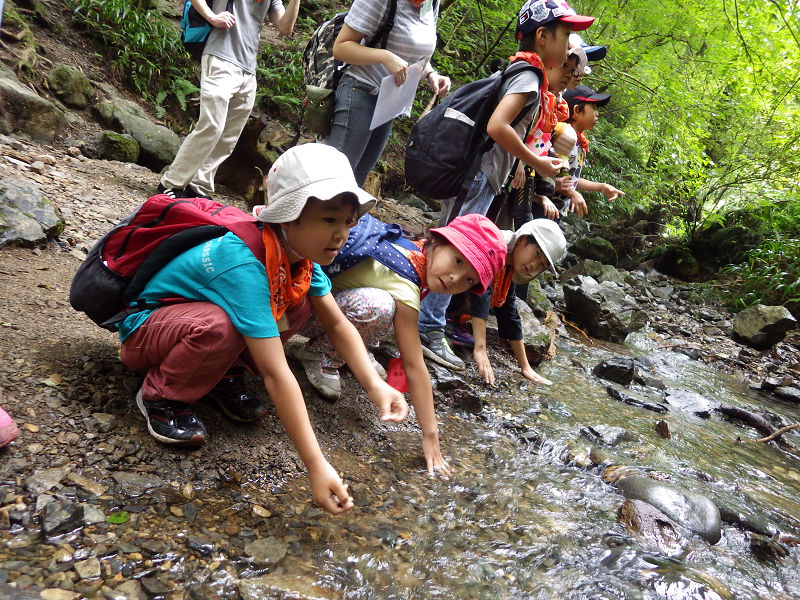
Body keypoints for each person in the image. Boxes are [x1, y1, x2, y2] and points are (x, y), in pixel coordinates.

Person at [121, 143, 408, 515]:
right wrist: (317, 465)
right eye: (328, 219)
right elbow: (276, 373)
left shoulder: (298, 258)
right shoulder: (247, 260)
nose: (342, 234)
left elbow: (337, 323)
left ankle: (221, 374)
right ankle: (162, 395)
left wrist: (376, 385)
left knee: (300, 303)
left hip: (184, 328)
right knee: (219, 327)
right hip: (148, 332)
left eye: (349, 222)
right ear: (288, 216)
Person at [417, 0, 594, 371]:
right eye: (565, 36)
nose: (568, 46)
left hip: (485, 174)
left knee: (453, 242)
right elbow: (498, 126)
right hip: (480, 175)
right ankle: (428, 328)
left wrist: (518, 162)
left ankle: (424, 317)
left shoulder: (527, 75)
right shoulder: (529, 79)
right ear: (543, 37)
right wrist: (536, 163)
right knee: (460, 248)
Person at [287, 213, 507, 476]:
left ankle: (352, 348)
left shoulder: (408, 245)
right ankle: (319, 354)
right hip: (297, 310)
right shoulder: (407, 284)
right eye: (458, 261)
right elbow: (414, 365)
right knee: (381, 308)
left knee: (390, 313)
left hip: (308, 292)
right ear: (439, 241)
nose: (454, 278)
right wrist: (430, 435)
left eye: (468, 280)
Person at [156, 0, 301, 200]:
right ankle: (171, 183)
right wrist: (211, 17)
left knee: (229, 135)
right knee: (211, 125)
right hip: (219, 56)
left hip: (248, 68)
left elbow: (285, 27)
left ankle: (198, 186)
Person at [329, 0, 451, 186]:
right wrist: (384, 56)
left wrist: (431, 74)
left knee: (356, 182)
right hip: (361, 91)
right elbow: (341, 47)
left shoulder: (430, 3)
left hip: (389, 102)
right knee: (334, 178)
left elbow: (416, 51)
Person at [446, 219, 567, 385]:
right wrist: (480, 349)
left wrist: (525, 367)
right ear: (523, 238)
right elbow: (482, 292)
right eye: (537, 254)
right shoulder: (495, 245)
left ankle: (451, 322)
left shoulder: (509, 266)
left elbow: (509, 314)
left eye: (541, 265)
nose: (533, 266)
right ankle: (439, 324)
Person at [549, 85, 625, 217]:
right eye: (594, 108)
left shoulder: (579, 141)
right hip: (544, 206)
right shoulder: (563, 136)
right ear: (577, 111)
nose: (597, 113)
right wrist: (572, 193)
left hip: (556, 210)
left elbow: (571, 179)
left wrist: (601, 187)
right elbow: (546, 177)